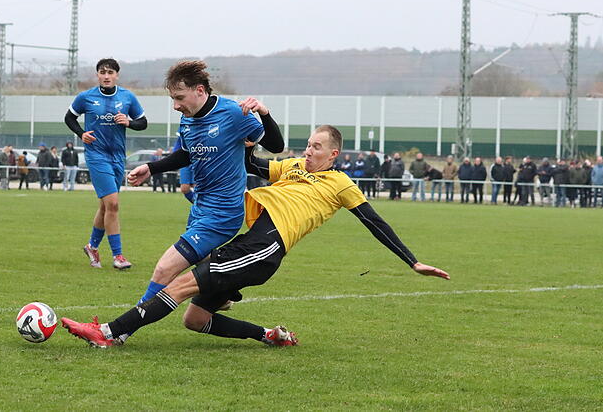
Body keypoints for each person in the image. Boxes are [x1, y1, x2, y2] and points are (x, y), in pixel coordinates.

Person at [60, 125, 449, 348]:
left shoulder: (341, 183)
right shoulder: (295, 166)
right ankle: (270, 336)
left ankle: (110, 333)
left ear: (333, 155)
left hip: (265, 246)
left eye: (317, 147)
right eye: (309, 144)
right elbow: (255, 165)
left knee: (179, 284)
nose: (309, 150)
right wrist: (248, 139)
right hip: (253, 241)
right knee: (195, 320)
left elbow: (374, 221)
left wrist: (413, 261)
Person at [118, 61, 283, 342]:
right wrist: (151, 167)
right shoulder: (189, 119)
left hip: (224, 212)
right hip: (200, 208)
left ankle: (120, 332)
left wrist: (264, 114)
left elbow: (275, 145)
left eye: (179, 98)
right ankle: (227, 296)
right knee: (201, 304)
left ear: (199, 91)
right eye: (173, 99)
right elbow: (186, 154)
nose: (176, 106)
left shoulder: (232, 113)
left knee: (165, 268)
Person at [64, 58, 148, 270]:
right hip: (96, 156)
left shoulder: (127, 97)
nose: (106, 76)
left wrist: (129, 122)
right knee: (113, 204)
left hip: (118, 157)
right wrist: (81, 134)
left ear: (117, 75)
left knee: (105, 206)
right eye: (103, 72)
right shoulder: (86, 97)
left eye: (110, 72)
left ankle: (92, 246)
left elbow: (143, 123)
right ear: (98, 75)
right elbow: (69, 118)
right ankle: (118, 256)